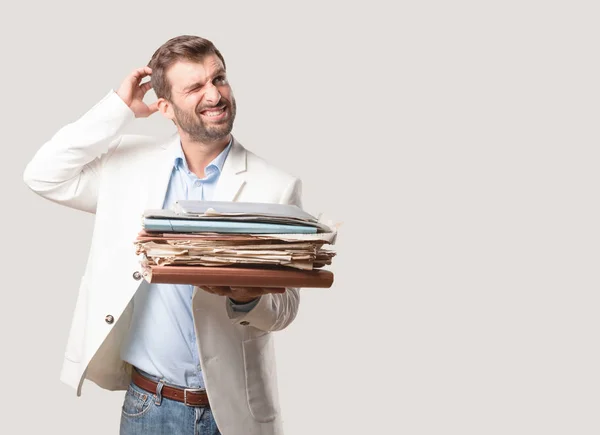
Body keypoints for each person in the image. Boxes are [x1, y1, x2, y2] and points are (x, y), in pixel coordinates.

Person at [23, 35, 302, 435]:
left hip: (235, 414)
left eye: (218, 78)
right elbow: (42, 175)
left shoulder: (276, 187)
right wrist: (118, 110)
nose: (215, 94)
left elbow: (287, 308)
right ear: (165, 108)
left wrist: (248, 298)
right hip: (148, 406)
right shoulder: (127, 167)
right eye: (195, 87)